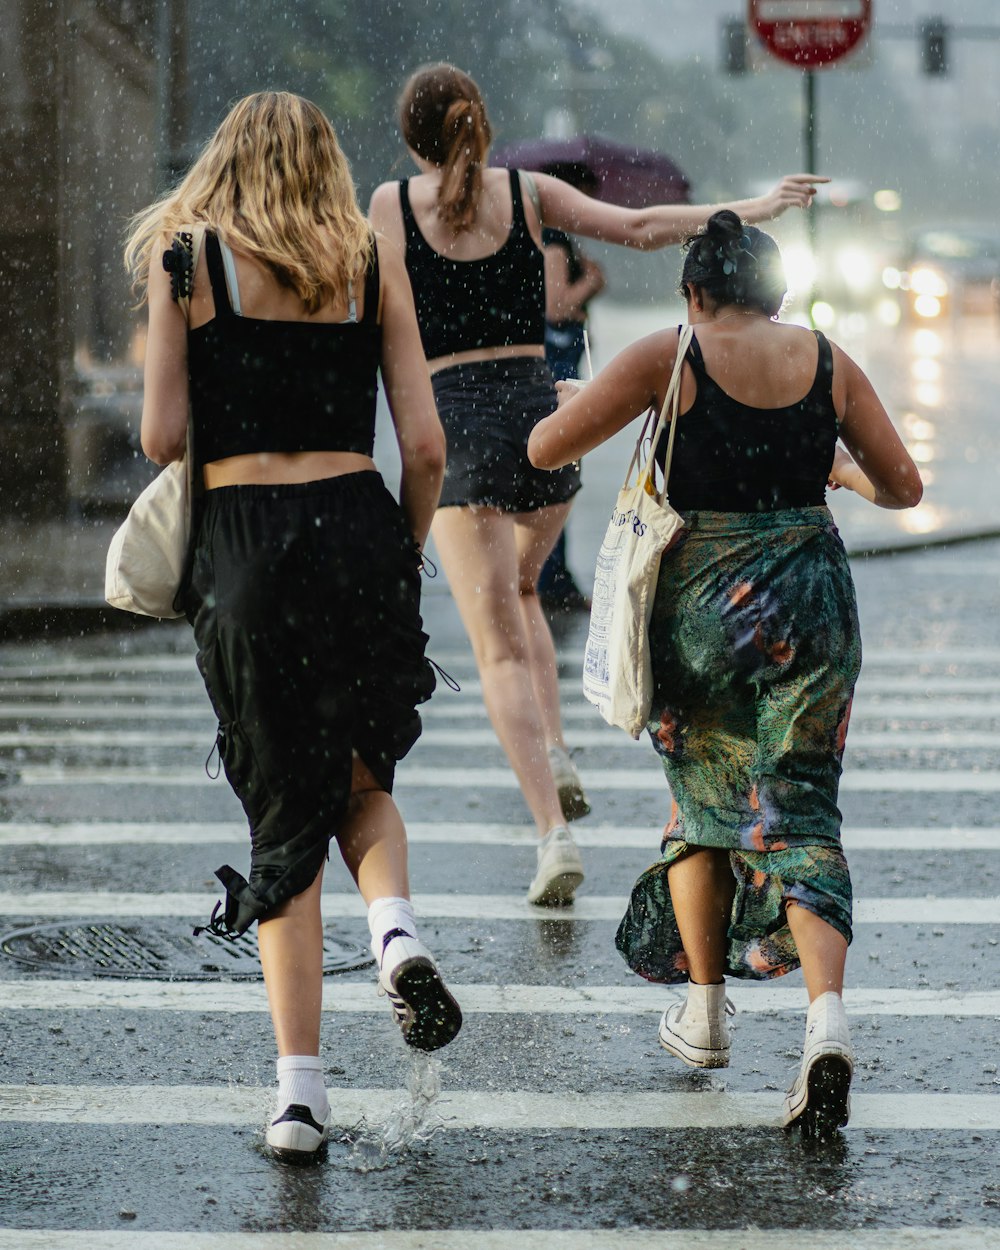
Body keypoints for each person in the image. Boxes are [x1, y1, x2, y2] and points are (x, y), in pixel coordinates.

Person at [369, 60, 826, 909]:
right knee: (526, 587)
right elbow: (645, 225)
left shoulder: (390, 208)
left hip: (458, 423)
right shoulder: (530, 193)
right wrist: (750, 211)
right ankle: (560, 747)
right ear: (482, 125)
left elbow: (371, 310)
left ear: (410, 138)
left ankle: (553, 833)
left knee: (497, 641)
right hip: (542, 422)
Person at [528, 209, 922, 1137]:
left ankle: (704, 1014)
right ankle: (826, 1027)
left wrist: (583, 401)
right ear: (778, 292)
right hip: (813, 606)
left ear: (693, 291)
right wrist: (833, 467)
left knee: (703, 801)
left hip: (702, 611)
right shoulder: (826, 361)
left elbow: (548, 451)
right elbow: (902, 485)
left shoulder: (670, 355)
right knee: (804, 807)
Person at [125, 91, 462, 1161]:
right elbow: (426, 449)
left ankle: (301, 1098)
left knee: (282, 822)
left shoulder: (185, 262)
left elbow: (161, 434)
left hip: (248, 547)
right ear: (326, 161)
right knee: (362, 782)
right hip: (360, 529)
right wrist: (401, 552)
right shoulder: (370, 262)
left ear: (223, 161)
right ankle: (398, 934)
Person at [537, 171, 606, 613]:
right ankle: (552, 578)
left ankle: (553, 575)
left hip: (558, 355)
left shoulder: (547, 236)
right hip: (557, 361)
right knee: (560, 465)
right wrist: (591, 283)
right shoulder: (554, 239)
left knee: (558, 466)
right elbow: (557, 305)